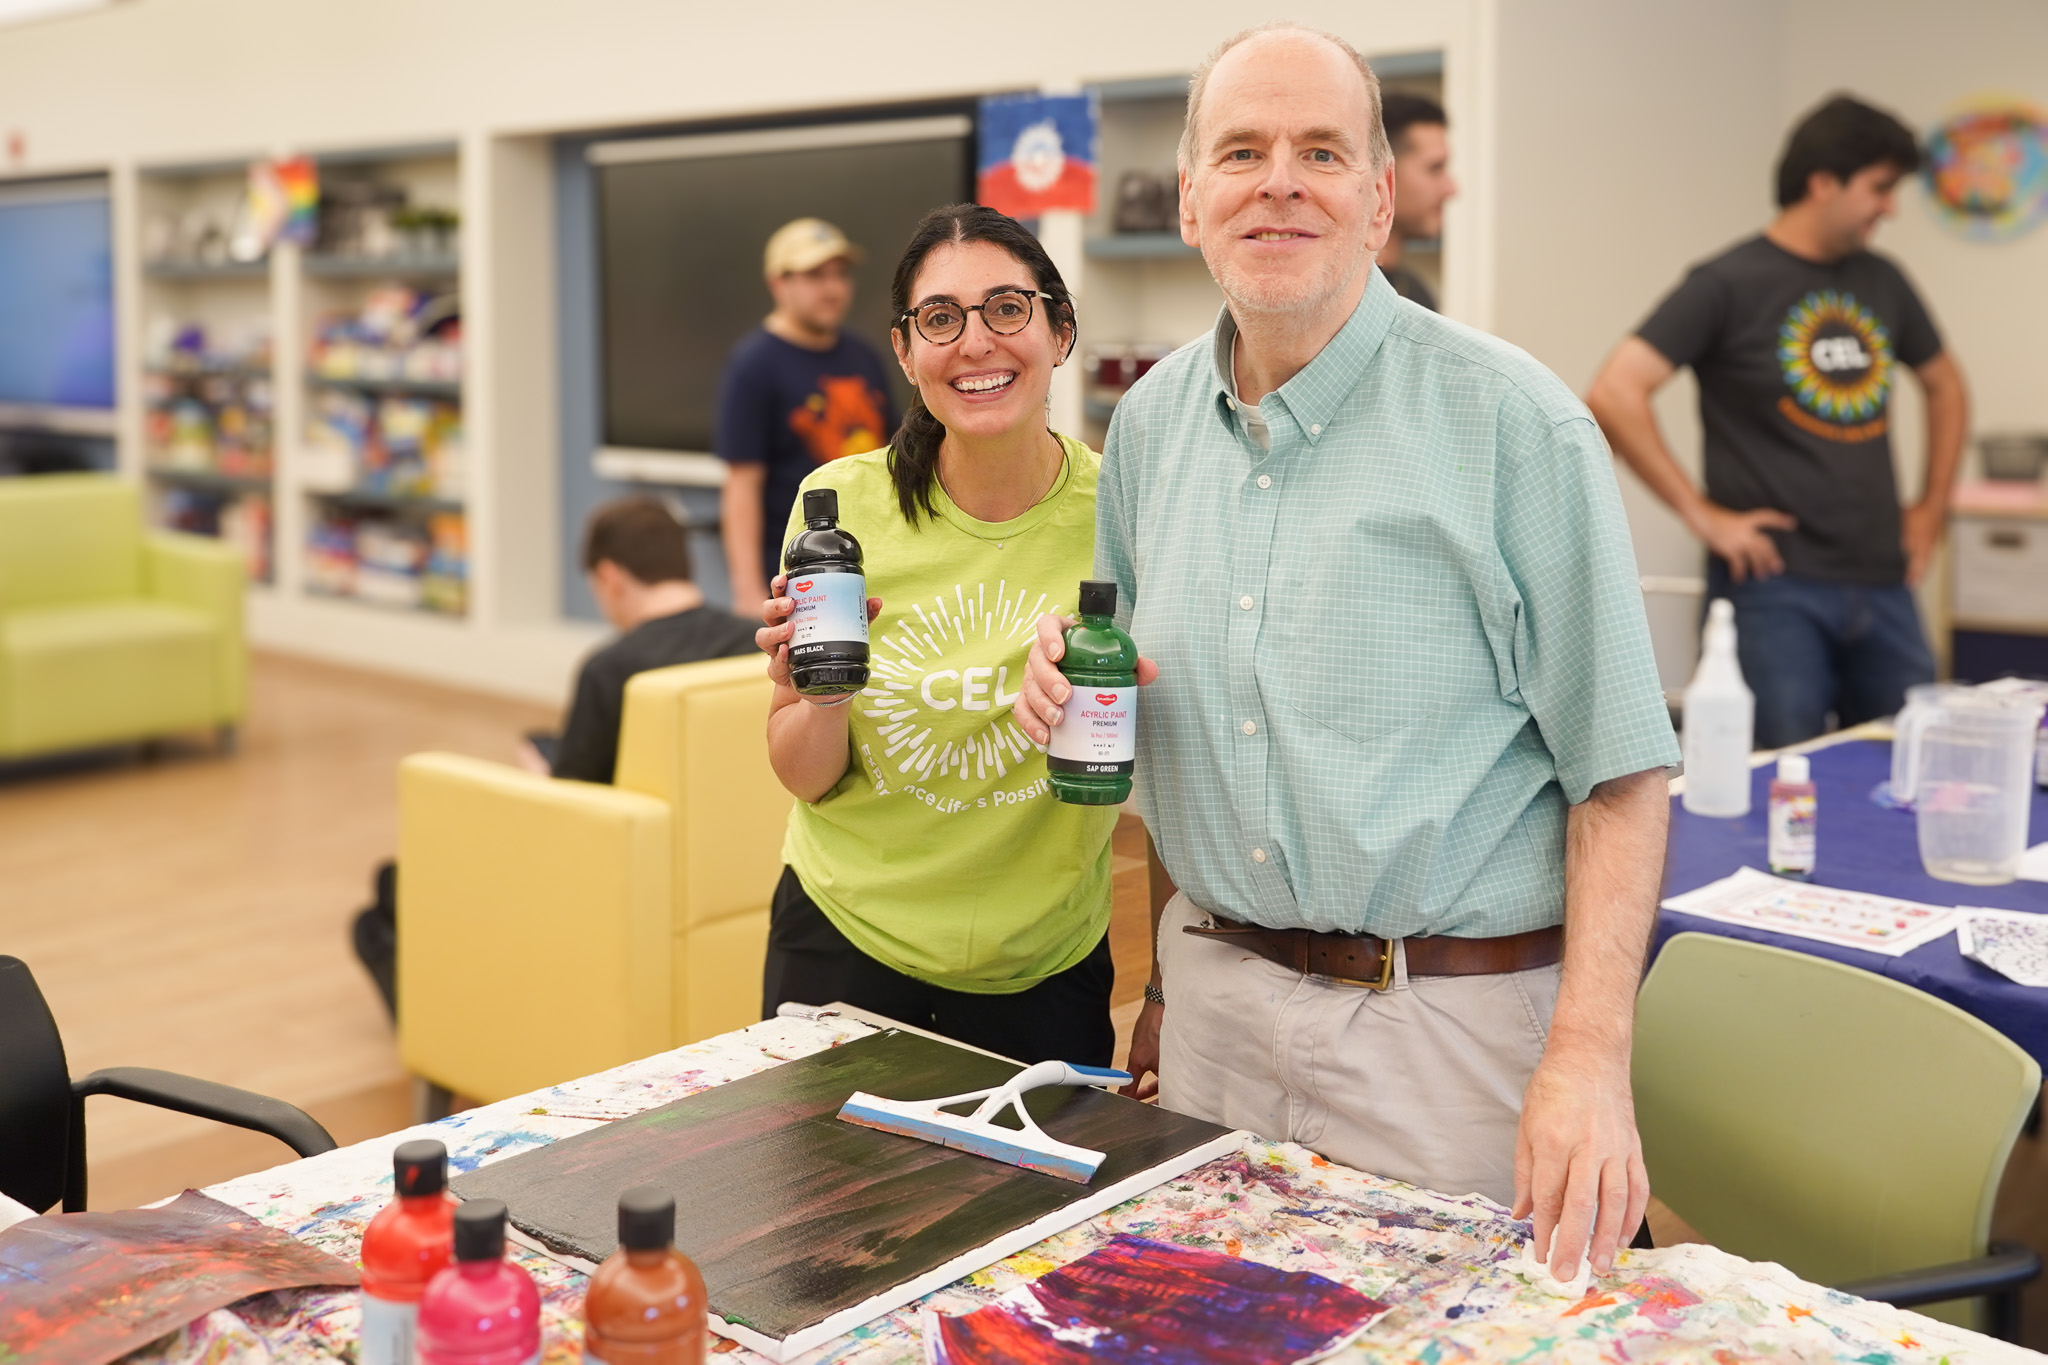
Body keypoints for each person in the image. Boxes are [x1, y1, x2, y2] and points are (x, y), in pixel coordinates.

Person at [1016, 23, 1678, 1281]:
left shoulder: (1514, 426)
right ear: (1193, 196)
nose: (1278, 181)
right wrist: (1070, 686)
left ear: (1379, 201)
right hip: (1213, 1013)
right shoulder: (1146, 429)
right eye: (1242, 151)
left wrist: (1587, 1061)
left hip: (1446, 1033)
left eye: (1320, 151)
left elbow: (1620, 778)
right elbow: (1164, 724)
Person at [752, 203, 1123, 1066]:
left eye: (1007, 308)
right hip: (844, 943)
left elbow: (1171, 766)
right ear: (906, 351)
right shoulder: (839, 514)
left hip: (1044, 969)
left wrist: (1172, 988)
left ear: (1059, 328)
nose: (976, 341)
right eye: (941, 319)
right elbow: (805, 776)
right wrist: (826, 699)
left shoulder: (1121, 512)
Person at [1588, 95, 1967, 749]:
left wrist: (1931, 506)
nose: (1890, 207)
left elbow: (1945, 384)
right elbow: (1617, 389)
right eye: (1879, 188)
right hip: (1773, 590)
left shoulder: (1883, 281)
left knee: (1907, 772)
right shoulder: (1727, 283)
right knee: (1776, 784)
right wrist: (1703, 515)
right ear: (1824, 182)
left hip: (1886, 581)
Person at [350, 495, 755, 1018]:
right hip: (720, 868)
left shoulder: (612, 668)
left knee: (383, 901)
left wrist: (546, 770)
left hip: (612, 875)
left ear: (608, 577)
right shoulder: (752, 644)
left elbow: (572, 802)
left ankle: (440, 1027)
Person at [717, 218, 900, 615]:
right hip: (793, 578)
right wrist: (748, 593)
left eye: (840, 274)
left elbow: (891, 458)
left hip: (868, 565)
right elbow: (741, 485)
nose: (833, 288)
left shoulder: (865, 357)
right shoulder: (754, 365)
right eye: (815, 275)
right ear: (778, 284)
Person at [1375, 92, 1457, 311]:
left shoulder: (1416, 294)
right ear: (1384, 176)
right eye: (1435, 168)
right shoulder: (1339, 300)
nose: (1451, 189)